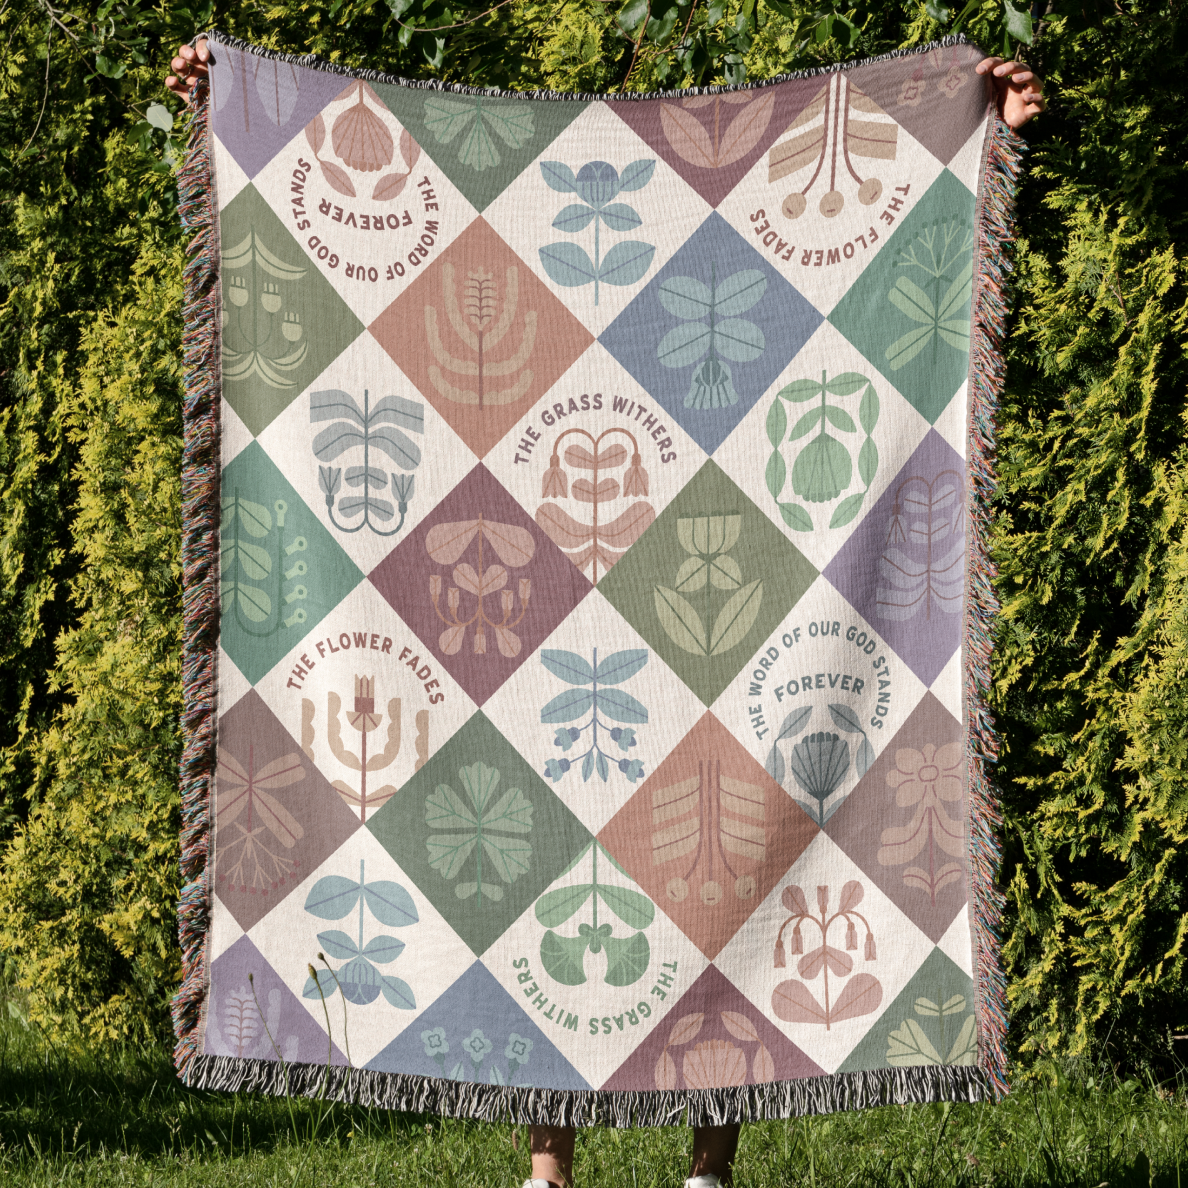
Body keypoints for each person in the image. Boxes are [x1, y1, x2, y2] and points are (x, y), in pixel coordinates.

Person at [165, 34, 1042, 1188]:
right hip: (525, 566)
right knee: (537, 824)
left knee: (734, 817)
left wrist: (977, 121)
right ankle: (548, 1169)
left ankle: (706, 1168)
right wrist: (230, 102)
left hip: (716, 530)